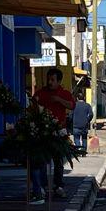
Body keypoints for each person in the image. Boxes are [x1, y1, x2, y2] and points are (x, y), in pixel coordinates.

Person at [29, 70, 74, 204]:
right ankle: (42, 187)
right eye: (49, 79)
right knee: (42, 160)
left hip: (59, 132)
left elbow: (72, 105)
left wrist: (59, 100)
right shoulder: (42, 93)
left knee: (58, 161)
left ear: (59, 81)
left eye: (53, 80)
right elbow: (33, 104)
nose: (50, 82)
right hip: (43, 132)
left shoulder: (64, 93)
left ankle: (58, 185)